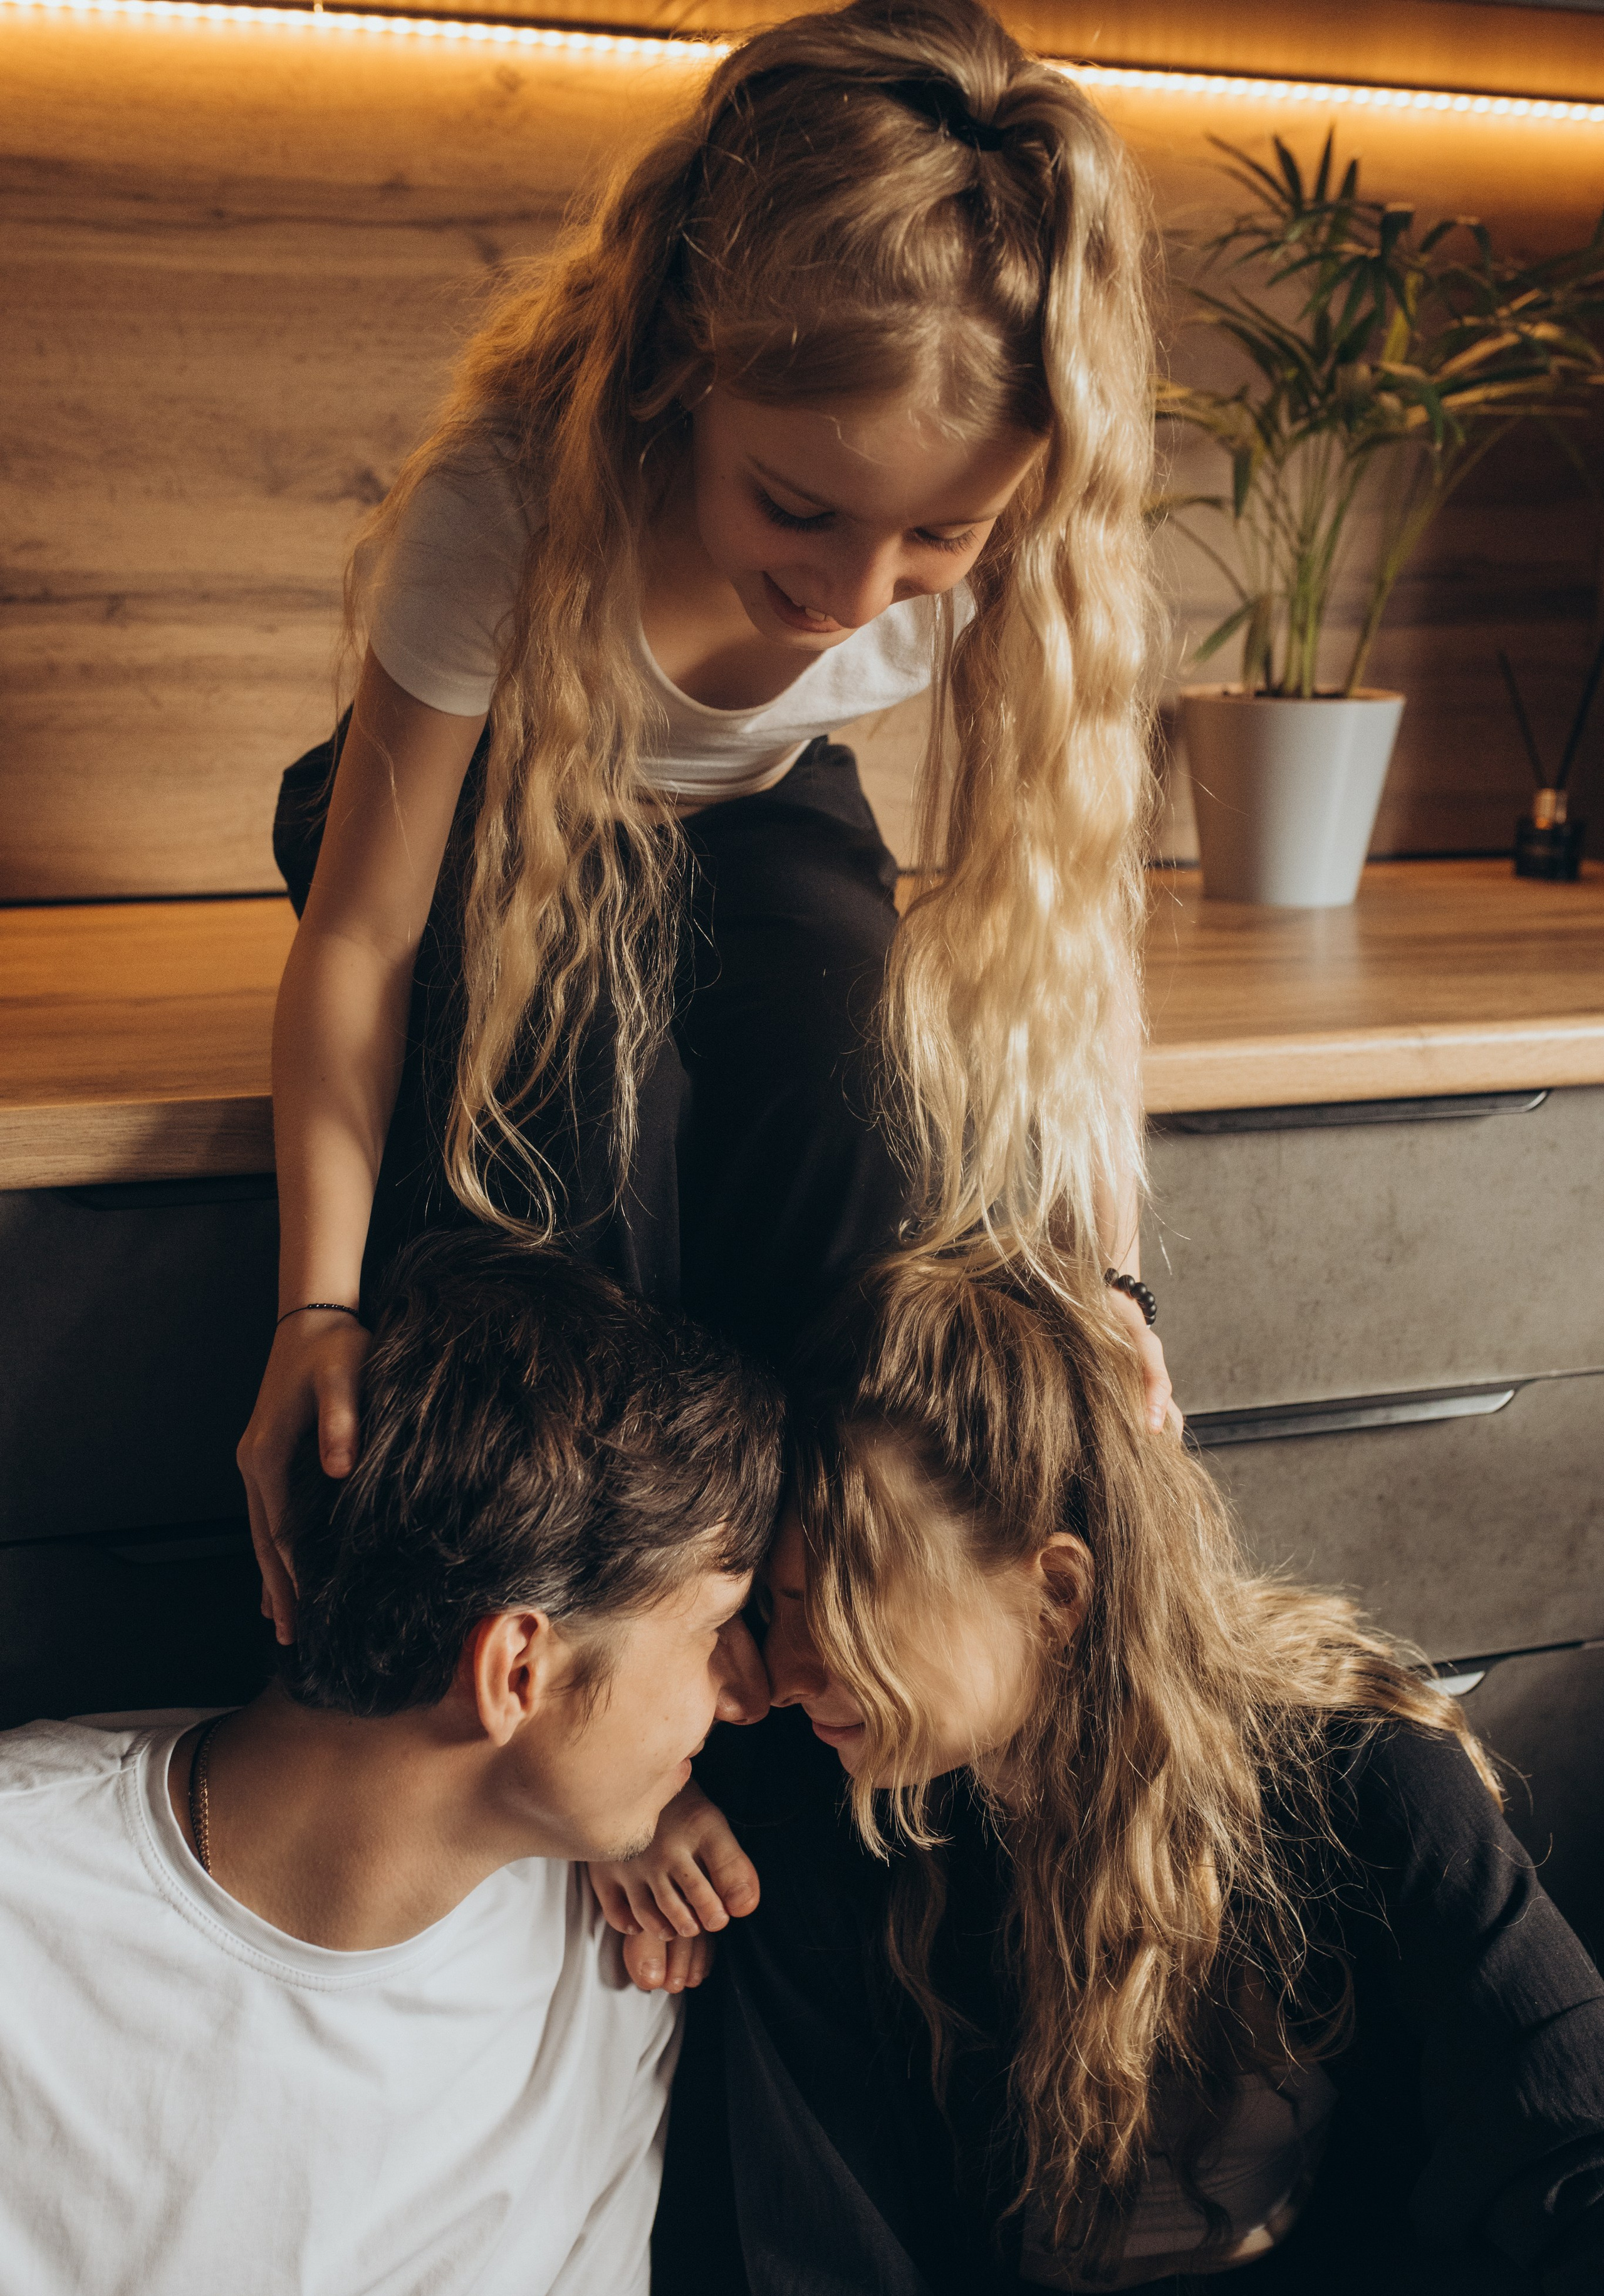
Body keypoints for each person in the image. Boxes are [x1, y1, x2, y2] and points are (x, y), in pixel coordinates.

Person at [240, 0, 1174, 1642]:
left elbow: (1064, 932)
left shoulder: (1025, 548)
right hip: (485, 809)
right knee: (583, 1077)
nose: (852, 597)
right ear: (686, 360)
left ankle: (808, 1645)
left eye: (935, 541)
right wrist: (313, 1305)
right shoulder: (512, 498)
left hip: (755, 811)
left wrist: (1108, 1284)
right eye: (799, 511)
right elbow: (364, 935)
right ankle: (590, 1654)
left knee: (868, 1091)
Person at [601, 1258, 1604, 2296]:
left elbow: (1573, 2137)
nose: (784, 1672)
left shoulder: (1368, 1782)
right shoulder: (819, 1846)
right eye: (776, 1609)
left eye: (848, 1603)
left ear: (1058, 1591)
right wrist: (634, 1806)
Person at [0, 1230, 781, 2296]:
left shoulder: (609, 1975)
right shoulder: (25, 1896)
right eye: (711, 1628)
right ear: (519, 1668)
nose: (742, 1691)